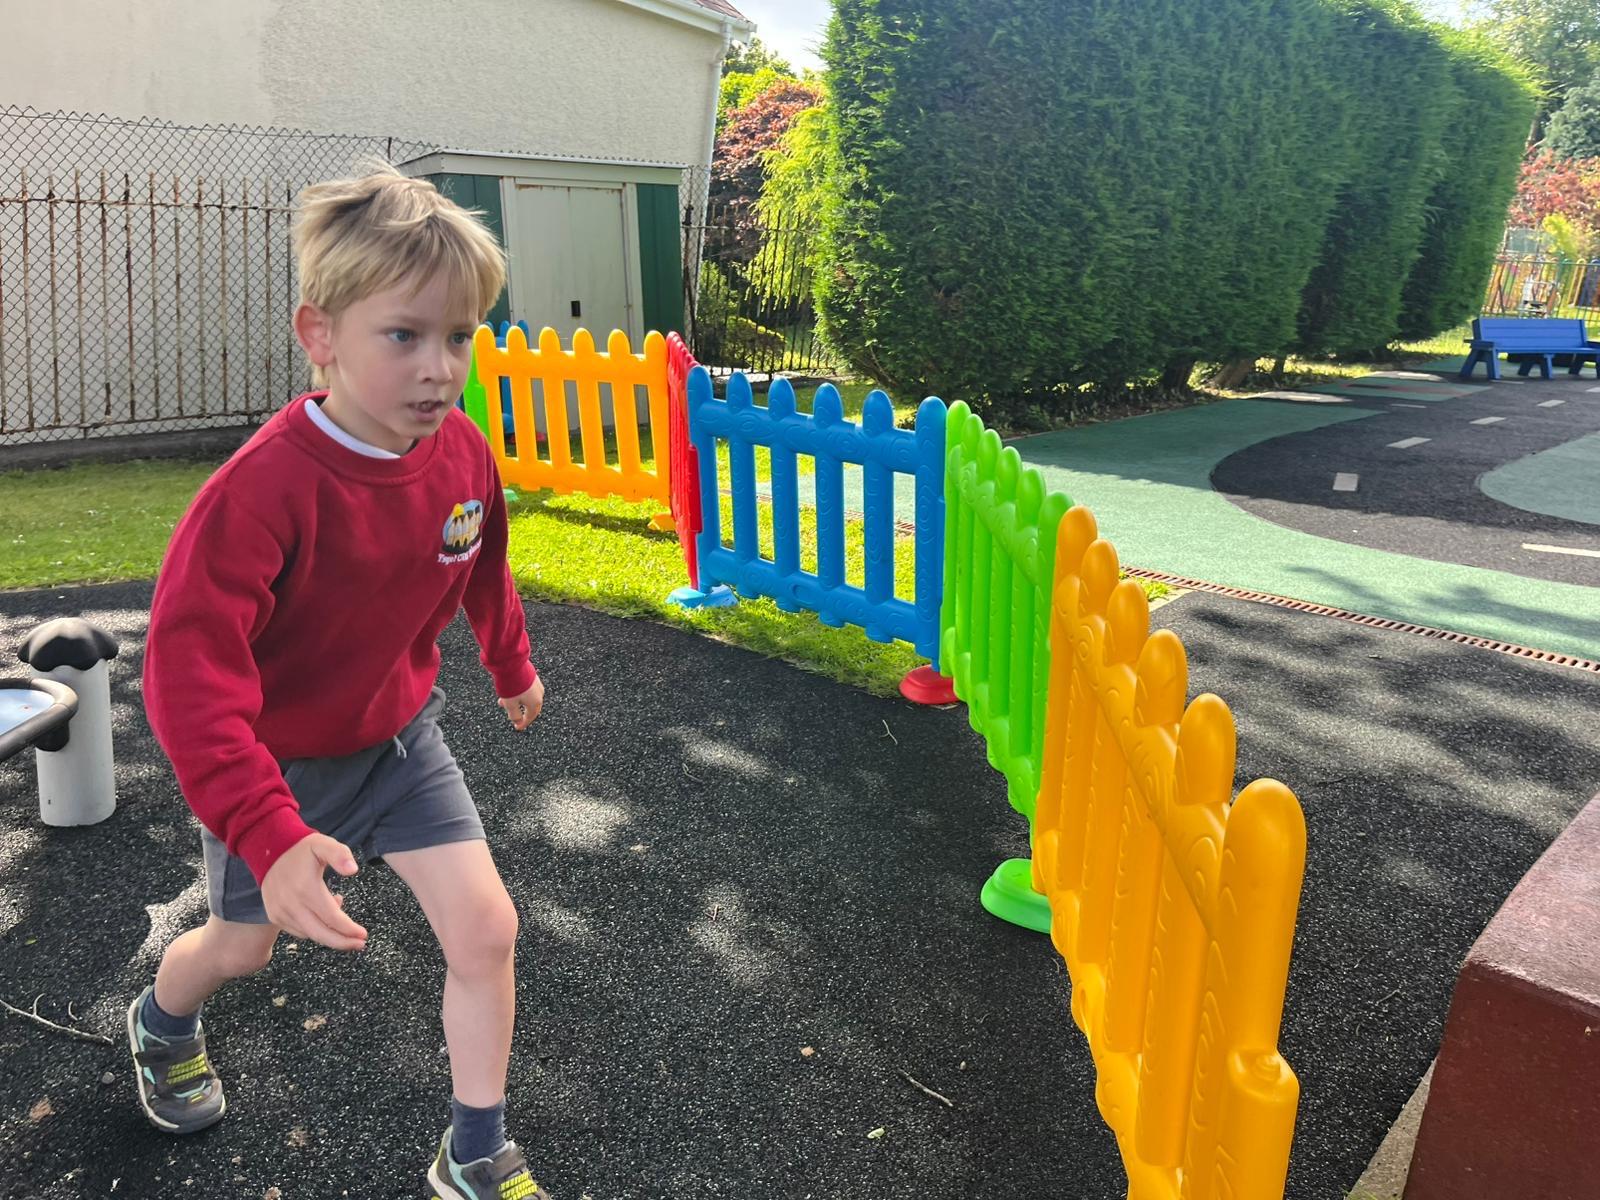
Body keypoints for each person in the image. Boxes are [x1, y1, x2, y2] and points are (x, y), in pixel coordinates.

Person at [129, 162, 552, 1200]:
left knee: (488, 929)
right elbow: (186, 675)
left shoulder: (460, 453)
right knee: (242, 950)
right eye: (403, 335)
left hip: (400, 743)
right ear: (318, 335)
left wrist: (508, 660)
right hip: (276, 770)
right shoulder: (262, 492)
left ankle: (474, 1150)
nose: (438, 368)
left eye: (459, 336)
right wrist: (265, 829)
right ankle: (162, 1020)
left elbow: (479, 557)